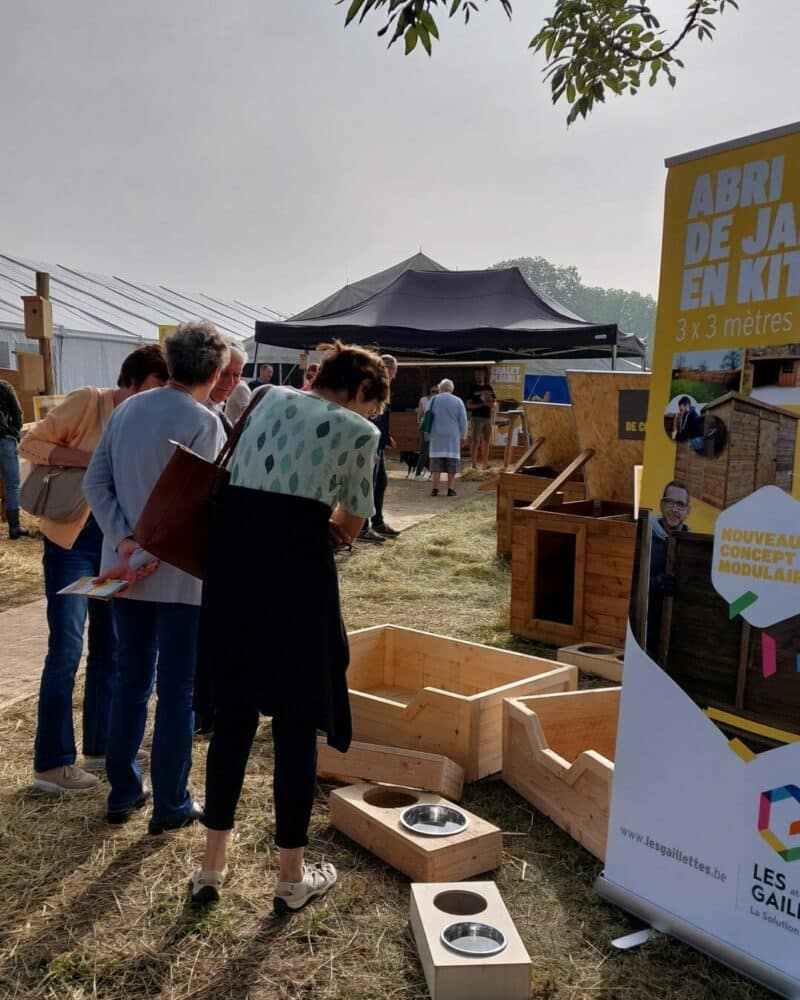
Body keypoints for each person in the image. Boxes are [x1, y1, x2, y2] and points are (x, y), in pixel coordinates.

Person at [190, 341, 388, 910]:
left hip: (233, 574)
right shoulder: (360, 432)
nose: (371, 415)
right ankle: (291, 879)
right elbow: (351, 522)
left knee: (233, 721)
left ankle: (211, 868)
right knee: (296, 729)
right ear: (361, 390)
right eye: (373, 404)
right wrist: (317, 524)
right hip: (298, 583)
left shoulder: (267, 397)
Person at [84, 322, 227, 832]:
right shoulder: (205, 421)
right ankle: (171, 801)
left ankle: (124, 790)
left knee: (131, 680)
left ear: (169, 363)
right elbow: (202, 505)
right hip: (180, 575)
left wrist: (125, 542)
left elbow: (95, 482)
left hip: (126, 570)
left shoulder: (126, 410)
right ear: (214, 372)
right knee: (177, 690)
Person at [19, 345, 169, 793]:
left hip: (111, 550)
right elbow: (30, 443)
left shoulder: (145, 420)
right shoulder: (89, 400)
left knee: (110, 647)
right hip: (72, 545)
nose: (157, 397)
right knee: (66, 647)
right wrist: (91, 461)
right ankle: (52, 763)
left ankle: (100, 746)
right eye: (153, 387)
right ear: (131, 380)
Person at [647, 480, 691, 660]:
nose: (674, 509)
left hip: (677, 644)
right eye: (670, 502)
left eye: (680, 505)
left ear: (688, 511)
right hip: (645, 638)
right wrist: (655, 583)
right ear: (661, 505)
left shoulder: (693, 548)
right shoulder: (644, 537)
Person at [361, 353, 398, 541]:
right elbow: (368, 417)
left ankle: (377, 522)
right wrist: (371, 447)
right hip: (371, 445)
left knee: (380, 482)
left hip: (378, 443)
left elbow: (380, 417)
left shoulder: (381, 388)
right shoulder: (372, 387)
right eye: (394, 372)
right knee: (369, 484)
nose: (394, 376)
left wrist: (386, 436)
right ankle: (362, 527)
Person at [0, 378, 30, 539]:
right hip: (5, 441)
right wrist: (13, 431)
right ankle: (14, 528)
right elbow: (18, 414)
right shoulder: (5, 387)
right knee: (12, 485)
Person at [428, 378, 468, 497]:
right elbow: (463, 420)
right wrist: (464, 436)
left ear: (440, 388)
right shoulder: (458, 401)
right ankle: (450, 489)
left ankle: (435, 489)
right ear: (452, 389)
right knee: (452, 463)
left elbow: (427, 413)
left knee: (436, 463)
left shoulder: (434, 399)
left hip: (436, 435)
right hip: (452, 436)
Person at [205, 338, 247, 437]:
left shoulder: (217, 410)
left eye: (236, 375)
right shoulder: (199, 413)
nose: (230, 382)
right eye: (224, 373)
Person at [465, 368, 496, 470]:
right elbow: (468, 405)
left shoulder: (489, 387)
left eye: (479, 374)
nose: (477, 376)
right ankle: (474, 465)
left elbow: (494, 403)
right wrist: (482, 404)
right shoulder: (472, 388)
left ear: (484, 375)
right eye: (476, 374)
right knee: (475, 442)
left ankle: (485, 464)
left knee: (486, 441)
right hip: (476, 418)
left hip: (488, 418)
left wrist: (491, 403)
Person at [413, 384, 438, 481]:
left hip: (436, 428)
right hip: (426, 428)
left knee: (434, 453)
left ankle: (431, 474)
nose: (435, 393)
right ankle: (418, 473)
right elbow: (420, 412)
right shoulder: (424, 400)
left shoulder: (439, 401)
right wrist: (419, 422)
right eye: (433, 391)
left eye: (437, 392)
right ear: (429, 391)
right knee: (425, 452)